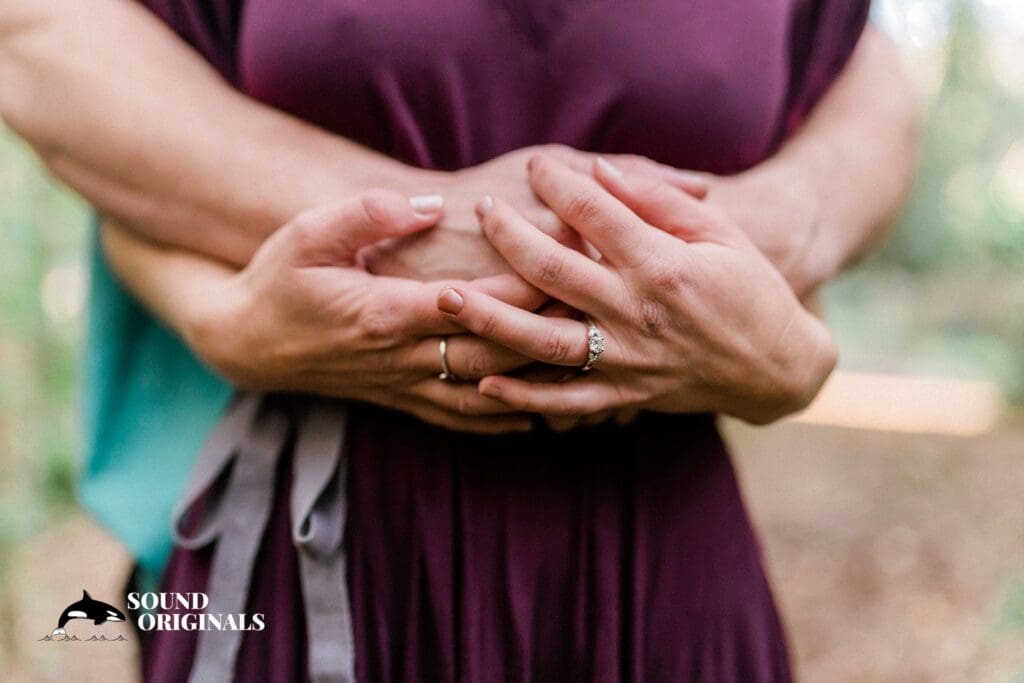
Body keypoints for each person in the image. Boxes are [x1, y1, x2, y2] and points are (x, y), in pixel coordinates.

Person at [0, 0, 917, 680]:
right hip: (321, 559)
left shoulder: (844, 47)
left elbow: (839, 166)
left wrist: (791, 357)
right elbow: (113, 157)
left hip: (656, 572)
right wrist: (227, 321)